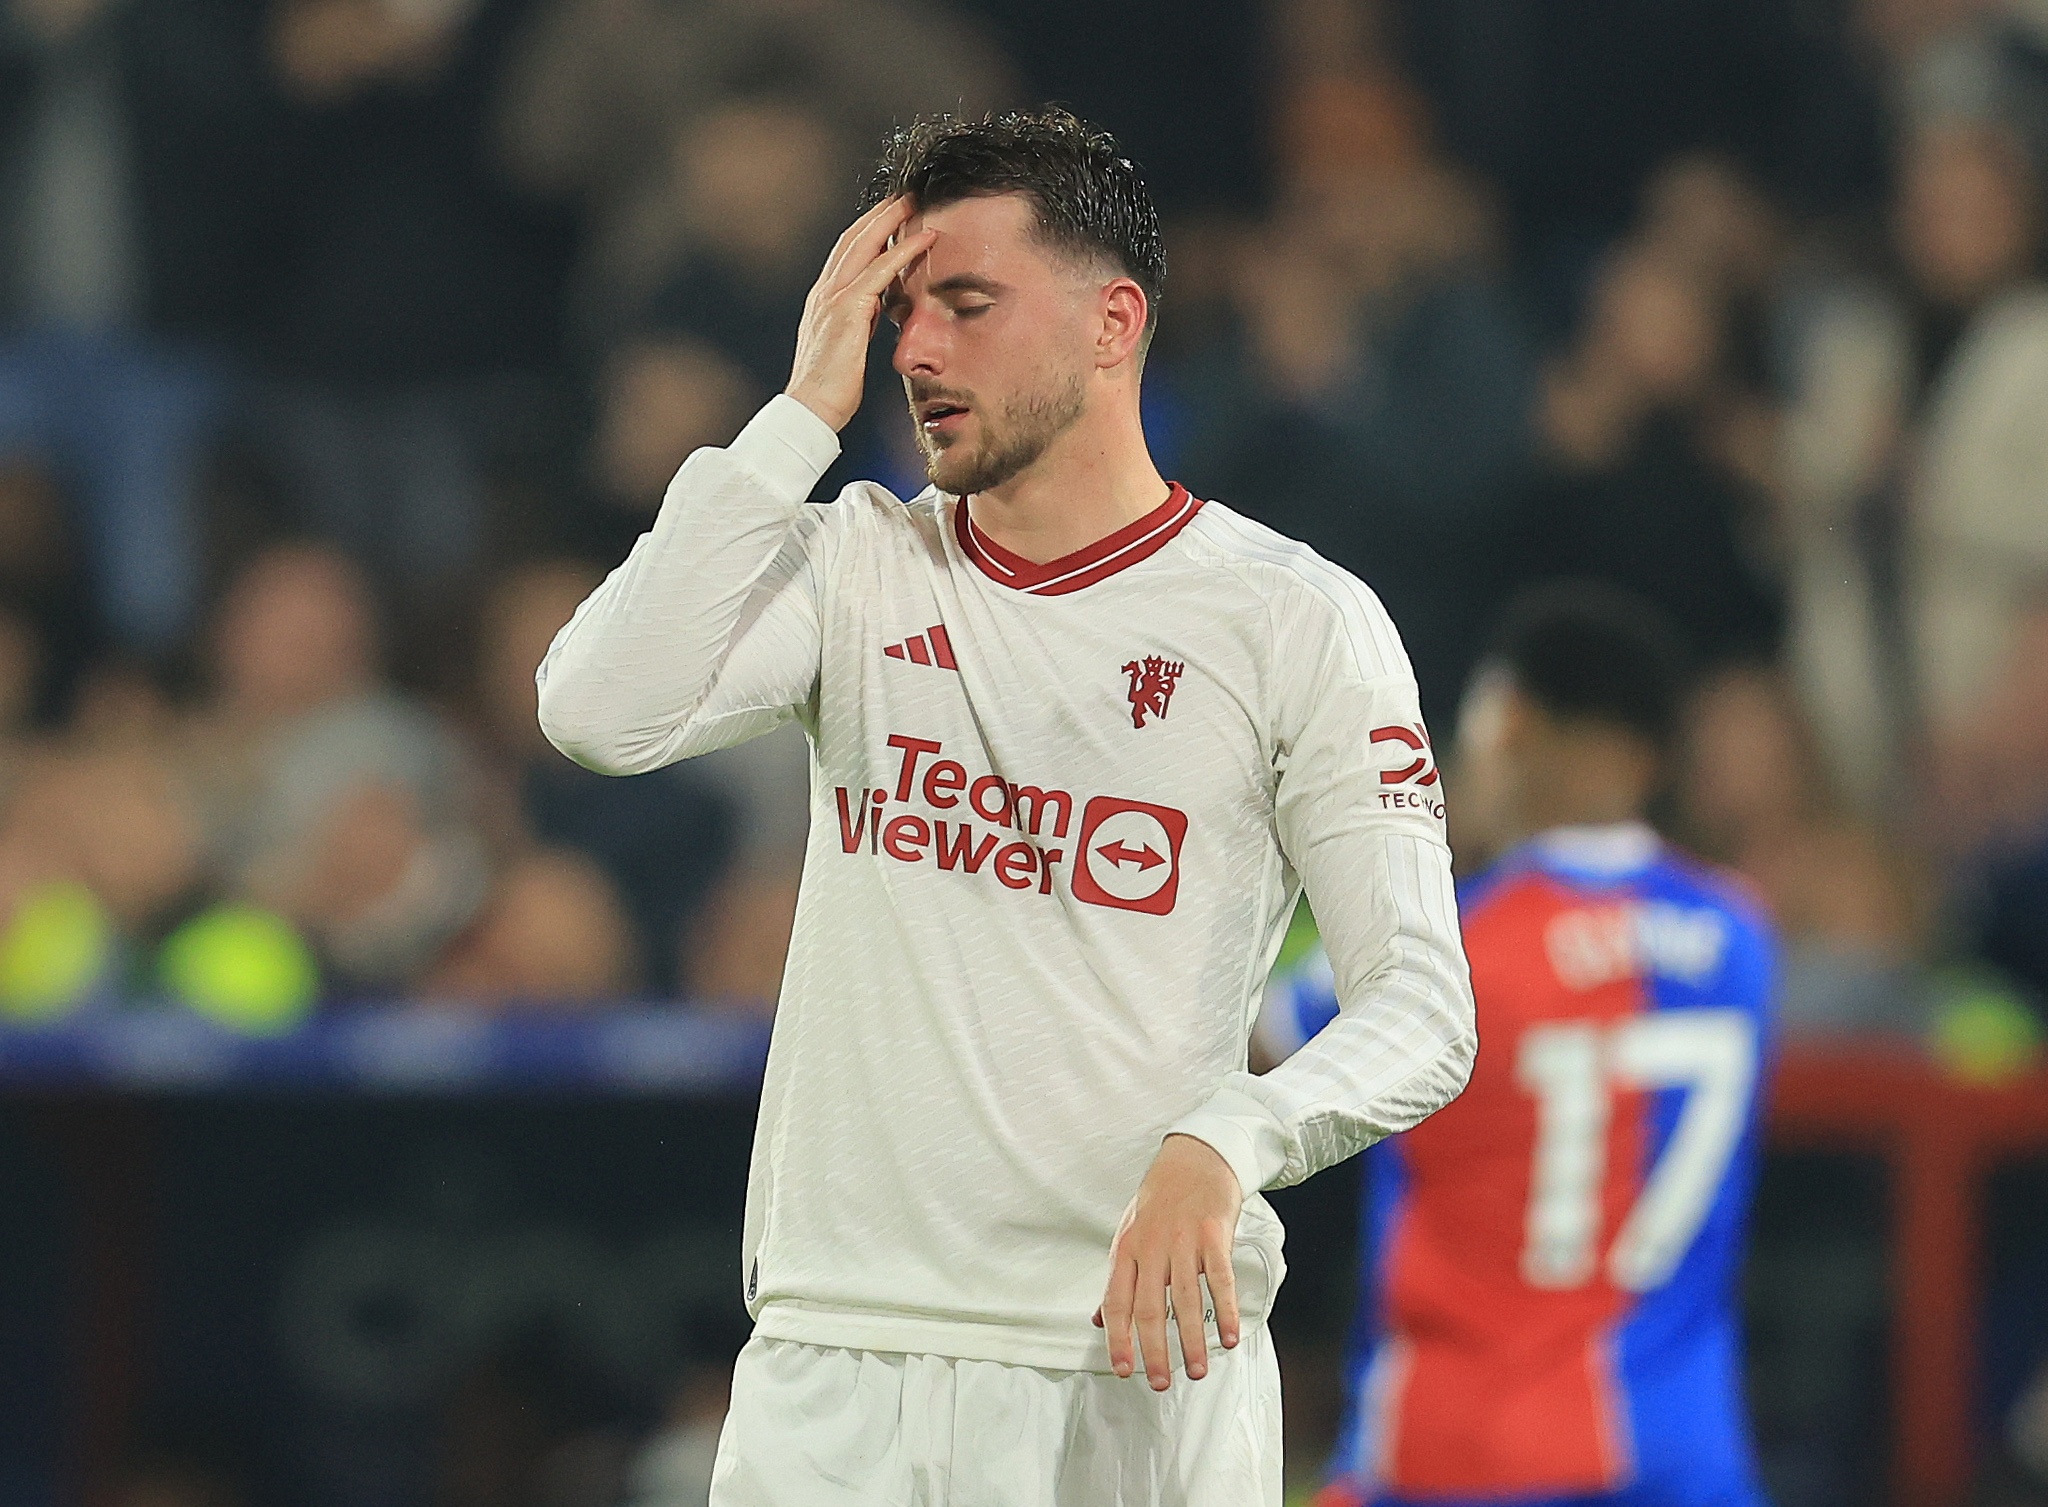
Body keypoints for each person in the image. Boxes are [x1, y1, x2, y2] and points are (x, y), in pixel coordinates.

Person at [536, 108, 1477, 1503]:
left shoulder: (1292, 620)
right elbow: (596, 709)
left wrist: (1233, 1138)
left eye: (966, 305)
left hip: (1122, 1367)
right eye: (898, 311)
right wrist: (795, 418)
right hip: (829, 1362)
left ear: (1112, 324)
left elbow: (1424, 1007)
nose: (915, 350)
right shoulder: (856, 563)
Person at [1263, 585, 1777, 1507]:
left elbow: (1244, 1047)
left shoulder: (1449, 951)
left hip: (1457, 1454)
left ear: (1507, 722)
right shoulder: (1741, 937)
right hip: (1683, 1457)